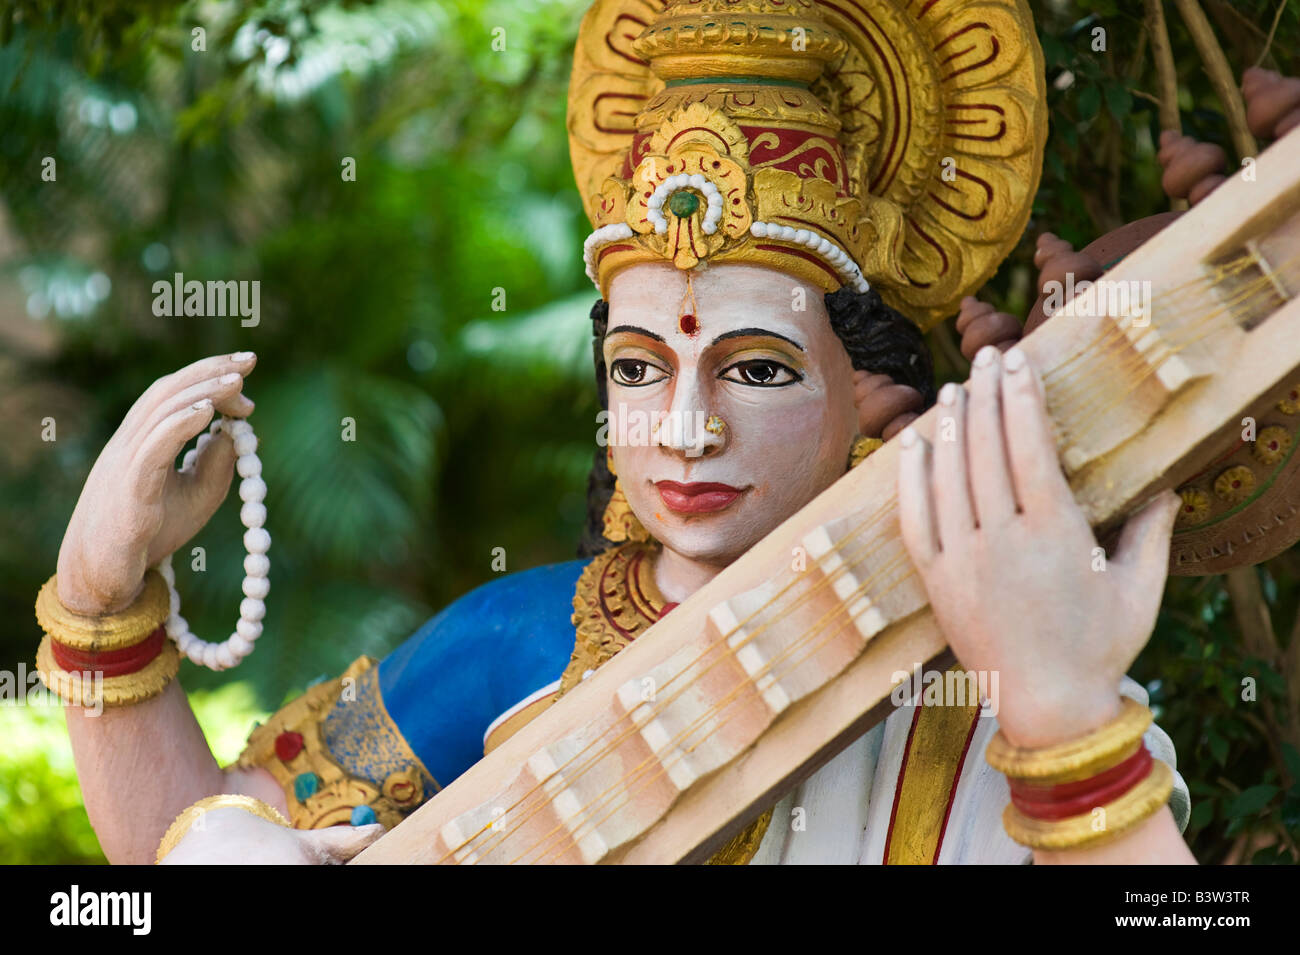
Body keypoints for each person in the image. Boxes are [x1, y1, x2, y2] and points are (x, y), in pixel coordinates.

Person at [38, 0, 1220, 865]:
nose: (685, 429)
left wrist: (1063, 709)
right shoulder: (515, 636)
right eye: (640, 367)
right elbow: (181, 859)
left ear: (866, 391)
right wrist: (101, 604)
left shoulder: (987, 658)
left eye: (755, 369)